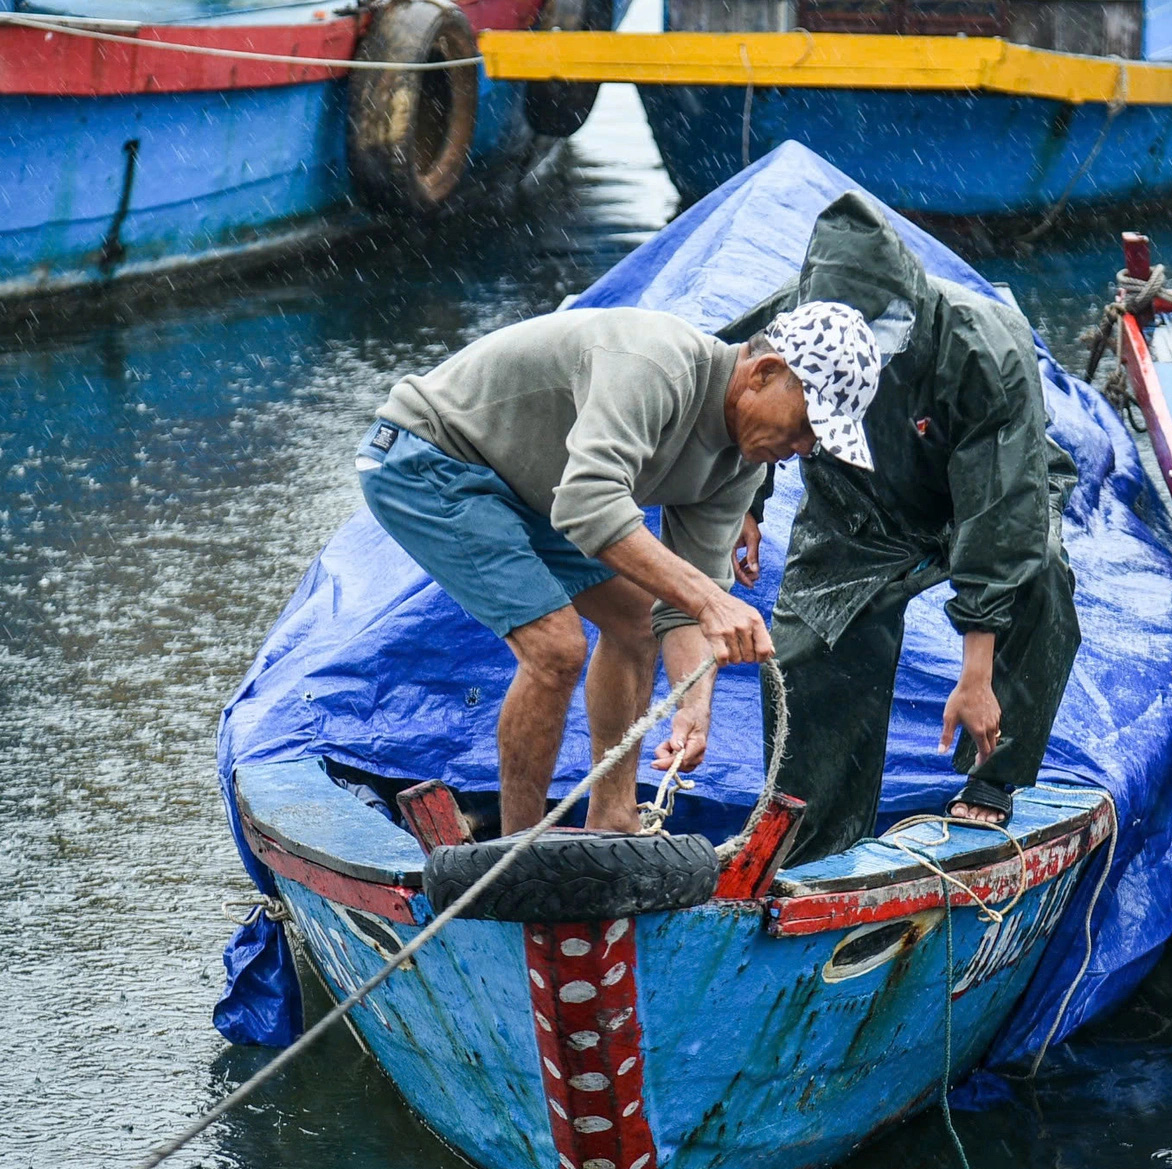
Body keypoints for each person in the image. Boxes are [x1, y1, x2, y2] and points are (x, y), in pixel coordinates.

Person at [356, 302, 881, 837]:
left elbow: (679, 611)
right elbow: (587, 502)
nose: (802, 449)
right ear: (764, 374)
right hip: (429, 454)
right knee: (556, 649)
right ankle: (516, 853)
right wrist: (710, 600)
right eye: (806, 426)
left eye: (816, 441)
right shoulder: (656, 367)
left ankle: (612, 818)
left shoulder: (743, 463)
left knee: (636, 622)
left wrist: (692, 706)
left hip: (528, 490)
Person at [722, 194, 1082, 865]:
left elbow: (1000, 515)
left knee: (1040, 578)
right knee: (807, 654)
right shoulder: (789, 319)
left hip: (976, 494)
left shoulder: (982, 347)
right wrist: (747, 496)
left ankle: (995, 773)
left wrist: (975, 672)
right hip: (856, 507)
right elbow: (732, 391)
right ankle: (813, 835)